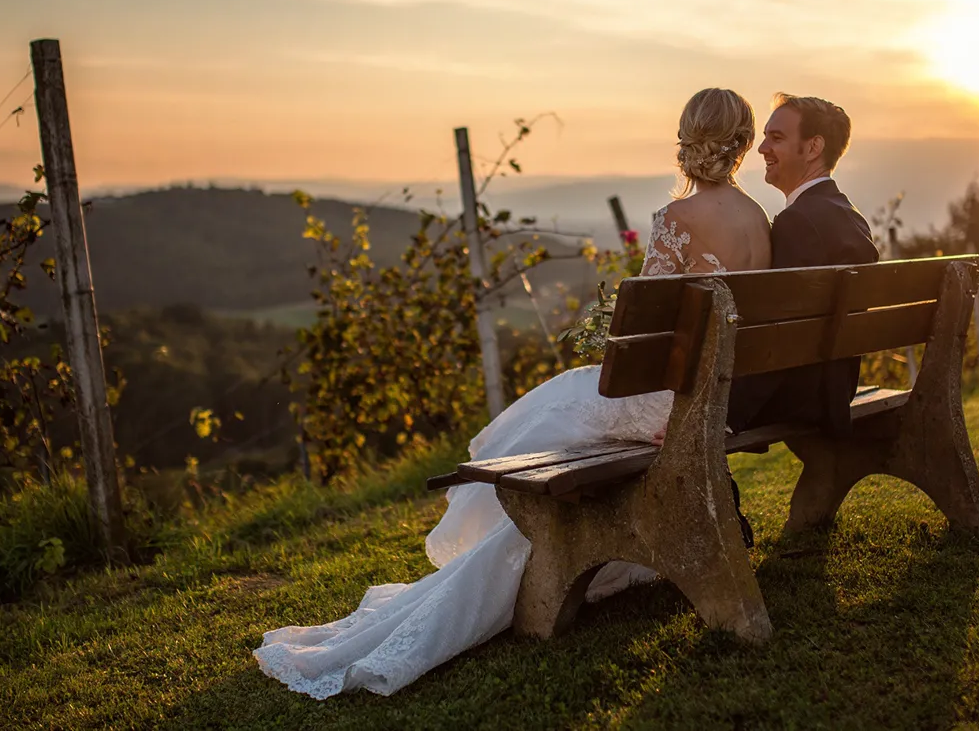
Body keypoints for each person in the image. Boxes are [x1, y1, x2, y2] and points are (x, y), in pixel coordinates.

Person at [253, 88, 772, 699]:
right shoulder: (758, 220)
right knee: (561, 407)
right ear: (742, 141)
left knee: (556, 406)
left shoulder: (675, 220)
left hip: (668, 402)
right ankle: (544, 541)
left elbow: (641, 339)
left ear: (688, 137)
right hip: (717, 399)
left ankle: (507, 545)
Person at [725, 93, 880, 438]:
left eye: (776, 138)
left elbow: (779, 339)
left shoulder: (798, 222)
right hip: (835, 390)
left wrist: (726, 415)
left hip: (802, 399)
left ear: (812, 148)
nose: (762, 148)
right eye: (765, 136)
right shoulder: (850, 217)